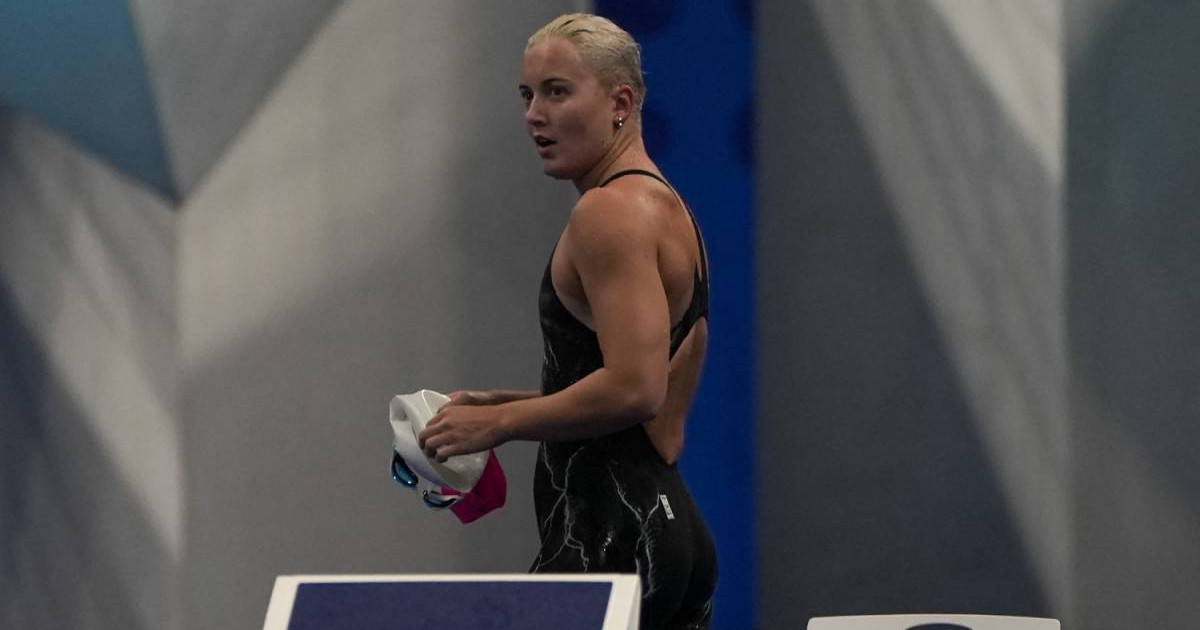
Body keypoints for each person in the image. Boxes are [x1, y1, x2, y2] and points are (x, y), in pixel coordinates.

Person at [417, 13, 717, 629]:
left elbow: (636, 389)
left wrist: (499, 423)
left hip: (610, 535)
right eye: (527, 95)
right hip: (665, 531)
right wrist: (499, 403)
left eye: (557, 92)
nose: (535, 114)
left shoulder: (608, 214)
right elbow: (635, 392)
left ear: (620, 103)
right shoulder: (665, 207)